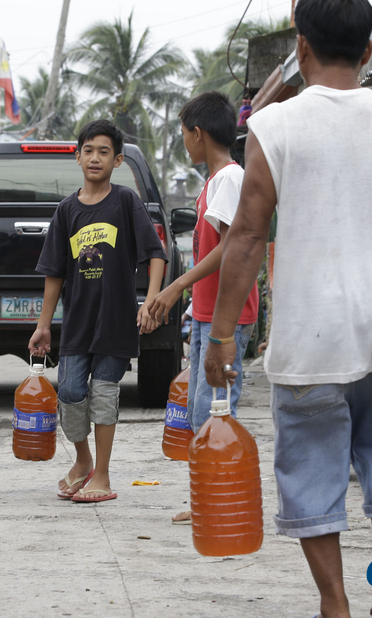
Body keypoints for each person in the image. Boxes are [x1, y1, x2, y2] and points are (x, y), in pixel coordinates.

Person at [203, 2, 372, 617]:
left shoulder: (274, 126)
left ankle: (335, 603)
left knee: (312, 475)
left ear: (301, 47)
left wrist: (220, 337)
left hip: (309, 340)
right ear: (369, 51)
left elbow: (244, 237)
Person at [29, 120, 167, 503]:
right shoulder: (67, 210)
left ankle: (102, 476)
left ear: (117, 160)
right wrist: (44, 326)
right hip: (77, 324)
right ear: (77, 157)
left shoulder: (125, 201)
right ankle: (83, 460)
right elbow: (55, 273)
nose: (95, 157)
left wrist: (152, 299)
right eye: (88, 150)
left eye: (104, 151)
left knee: (104, 394)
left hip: (117, 322)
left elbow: (155, 253)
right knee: (71, 392)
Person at [146, 91, 259, 524]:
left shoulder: (229, 178)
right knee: (201, 411)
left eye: (183, 135)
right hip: (210, 312)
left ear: (198, 133)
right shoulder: (215, 182)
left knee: (215, 410)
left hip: (227, 318)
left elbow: (232, 246)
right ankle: (209, 500)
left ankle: (223, 502)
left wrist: (176, 287)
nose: (183, 143)